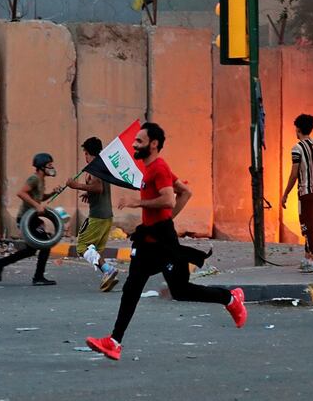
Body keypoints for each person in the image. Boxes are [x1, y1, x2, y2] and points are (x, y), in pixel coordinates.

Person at [86, 122, 247, 361]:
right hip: (148, 241)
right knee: (131, 289)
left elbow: (169, 200)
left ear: (153, 144)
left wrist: (140, 205)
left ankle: (230, 298)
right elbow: (185, 192)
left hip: (163, 242)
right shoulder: (151, 169)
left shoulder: (159, 168)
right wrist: (163, 220)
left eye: (139, 141)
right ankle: (114, 342)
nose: (134, 144)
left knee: (181, 291)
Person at [0, 153, 63, 286]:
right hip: (26, 218)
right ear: (41, 167)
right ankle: (38, 277)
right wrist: (37, 206)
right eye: (49, 165)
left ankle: (0, 263)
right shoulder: (34, 179)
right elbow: (21, 193)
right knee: (46, 244)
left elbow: (39, 198)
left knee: (31, 250)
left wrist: (53, 193)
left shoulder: (41, 181)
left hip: (32, 218)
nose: (52, 167)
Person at [281, 114, 313, 275]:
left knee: (307, 226)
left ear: (297, 129)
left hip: (306, 193)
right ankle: (307, 258)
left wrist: (286, 193)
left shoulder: (297, 148)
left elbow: (294, 173)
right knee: (311, 224)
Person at [65, 137, 119, 292]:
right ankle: (107, 275)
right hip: (107, 215)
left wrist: (76, 186)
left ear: (87, 153)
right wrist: (88, 194)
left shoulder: (93, 169)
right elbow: (98, 189)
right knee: (95, 249)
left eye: (85, 153)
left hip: (97, 216)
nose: (85, 157)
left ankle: (108, 270)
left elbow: (98, 188)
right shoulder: (103, 167)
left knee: (82, 246)